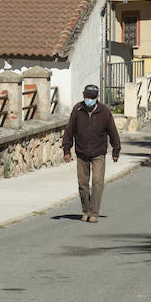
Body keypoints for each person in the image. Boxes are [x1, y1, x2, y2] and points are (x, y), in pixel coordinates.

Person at [62, 84, 121, 223]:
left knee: (97, 182)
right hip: (82, 152)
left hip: (98, 153)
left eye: (91, 97)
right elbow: (69, 131)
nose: (88, 99)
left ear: (97, 97)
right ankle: (86, 210)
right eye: (86, 96)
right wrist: (67, 150)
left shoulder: (105, 112)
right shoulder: (77, 109)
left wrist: (116, 150)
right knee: (83, 184)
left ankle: (94, 212)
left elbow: (113, 132)